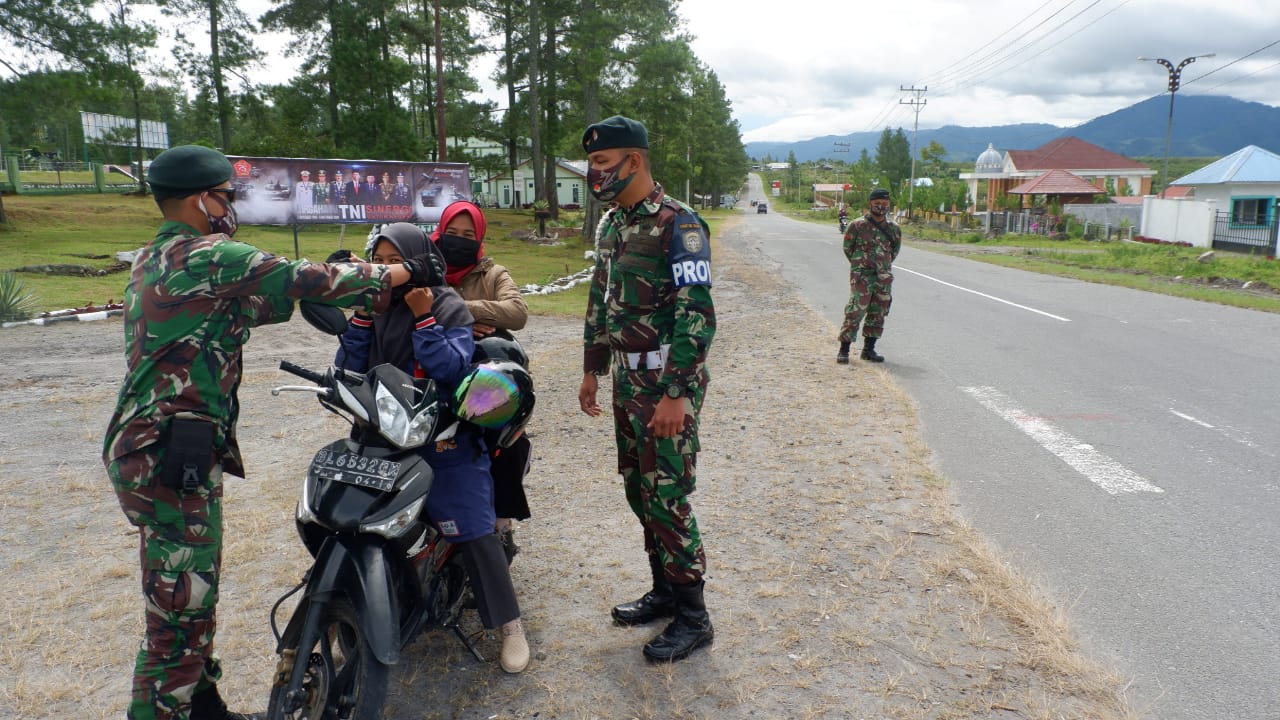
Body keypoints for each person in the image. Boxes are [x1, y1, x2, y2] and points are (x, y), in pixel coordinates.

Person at [102, 145, 440, 720]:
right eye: (225, 197)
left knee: (188, 591)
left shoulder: (157, 258)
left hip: (156, 446)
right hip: (168, 450)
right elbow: (301, 276)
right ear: (198, 200)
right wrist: (397, 272)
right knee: (177, 609)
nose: (229, 208)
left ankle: (202, 705)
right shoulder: (207, 254)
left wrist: (339, 298)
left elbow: (261, 300)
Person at [333, 222, 531, 674]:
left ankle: (509, 625)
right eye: (376, 262)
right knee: (347, 515)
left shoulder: (446, 302)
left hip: (441, 434)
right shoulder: (375, 307)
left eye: (393, 262)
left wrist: (424, 317)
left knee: (474, 527)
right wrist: (362, 319)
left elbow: (449, 366)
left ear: (417, 261)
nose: (383, 271)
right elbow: (347, 366)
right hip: (383, 432)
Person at [576, 115, 717, 663]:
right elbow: (599, 298)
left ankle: (694, 616)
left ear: (633, 161)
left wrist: (677, 394)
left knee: (668, 496)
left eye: (602, 163)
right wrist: (592, 367)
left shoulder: (677, 224)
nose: (595, 173)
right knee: (639, 491)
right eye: (591, 164)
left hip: (664, 384)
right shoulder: (613, 223)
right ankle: (663, 591)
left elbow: (697, 314)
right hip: (625, 378)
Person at [429, 200, 531, 551]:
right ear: (440, 233)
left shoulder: (492, 273)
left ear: (480, 237)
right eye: (452, 233)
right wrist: (459, 316)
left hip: (482, 385)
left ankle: (501, 527)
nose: (459, 240)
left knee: (505, 445)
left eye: (468, 235)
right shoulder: (425, 267)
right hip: (431, 377)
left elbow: (516, 312)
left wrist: (456, 308)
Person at [837, 187, 901, 364]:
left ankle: (869, 350)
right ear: (870, 204)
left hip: (883, 278)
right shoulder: (857, 225)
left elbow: (894, 251)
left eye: (885, 204)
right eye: (877, 203)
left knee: (878, 313)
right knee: (855, 311)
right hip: (862, 277)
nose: (881, 207)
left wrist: (882, 267)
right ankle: (844, 350)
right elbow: (848, 249)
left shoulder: (893, 228)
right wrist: (861, 265)